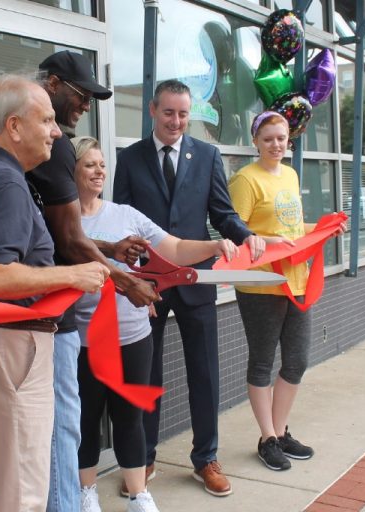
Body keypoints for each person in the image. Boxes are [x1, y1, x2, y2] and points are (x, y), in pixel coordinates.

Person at [0, 74, 110, 512]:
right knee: (20, 492)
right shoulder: (4, 182)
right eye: (48, 120)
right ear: (14, 127)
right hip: (8, 351)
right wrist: (70, 277)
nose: (57, 132)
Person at [113, 79, 266, 497]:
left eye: (183, 114)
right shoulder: (129, 159)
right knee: (147, 372)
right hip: (149, 285)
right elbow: (121, 222)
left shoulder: (208, 155)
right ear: (152, 111)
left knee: (205, 373)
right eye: (169, 113)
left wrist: (245, 234)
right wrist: (127, 279)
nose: (177, 121)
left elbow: (223, 212)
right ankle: (143, 459)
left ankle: (206, 460)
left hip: (196, 279)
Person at [72, 137, 239, 512]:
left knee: (131, 418)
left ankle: (138, 494)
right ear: (73, 171)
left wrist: (212, 246)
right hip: (85, 340)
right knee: (87, 419)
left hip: (133, 335)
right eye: (89, 165)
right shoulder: (65, 224)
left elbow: (175, 248)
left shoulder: (126, 214)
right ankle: (86, 492)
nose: (99, 171)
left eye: (102, 165)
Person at [29, 51, 159, 511]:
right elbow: (68, 238)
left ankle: (134, 491)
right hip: (52, 322)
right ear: (53, 83)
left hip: (60, 320)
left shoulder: (51, 146)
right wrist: (130, 283)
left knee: (101, 418)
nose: (85, 105)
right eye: (81, 95)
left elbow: (72, 238)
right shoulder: (51, 148)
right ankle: (78, 497)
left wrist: (109, 251)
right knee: (71, 422)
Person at [227, 111, 346, 471]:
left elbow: (292, 227)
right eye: (268, 139)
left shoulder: (291, 175)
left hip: (296, 281)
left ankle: (280, 432)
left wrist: (323, 228)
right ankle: (267, 438)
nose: (276, 144)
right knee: (262, 362)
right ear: (256, 142)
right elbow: (234, 234)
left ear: (288, 140)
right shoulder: (246, 180)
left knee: (297, 360)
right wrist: (264, 241)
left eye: (281, 138)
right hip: (261, 284)